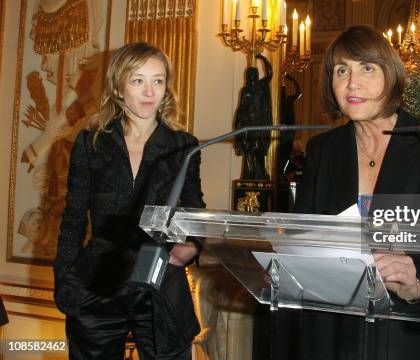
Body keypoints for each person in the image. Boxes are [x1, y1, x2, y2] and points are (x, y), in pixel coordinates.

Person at [292, 25, 420, 359]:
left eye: (366, 68)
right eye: (341, 70)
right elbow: (306, 241)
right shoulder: (322, 150)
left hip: (412, 334)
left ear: (391, 75)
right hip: (336, 332)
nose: (352, 83)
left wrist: (416, 285)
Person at [53, 42, 205, 359]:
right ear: (119, 87)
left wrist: (193, 245)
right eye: (138, 80)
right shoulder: (91, 142)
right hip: (98, 282)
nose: (150, 91)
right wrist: (66, 280)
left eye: (158, 80)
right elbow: (74, 219)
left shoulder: (183, 145)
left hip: (161, 280)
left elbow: (195, 212)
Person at [234, 54, 273, 180]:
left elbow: (270, 73)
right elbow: (240, 110)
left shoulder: (261, 87)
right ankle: (248, 177)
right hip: (247, 126)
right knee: (248, 155)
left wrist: (263, 59)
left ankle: (260, 176)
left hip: (257, 126)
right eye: (249, 75)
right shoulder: (245, 90)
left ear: (256, 76)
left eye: (253, 74)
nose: (251, 77)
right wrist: (238, 132)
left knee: (258, 152)